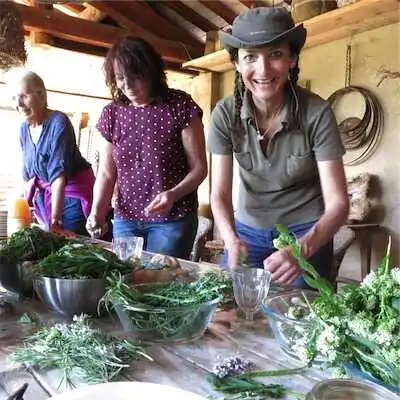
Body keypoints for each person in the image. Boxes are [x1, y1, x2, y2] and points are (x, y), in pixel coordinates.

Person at [208, 7, 349, 288]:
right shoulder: (225, 114)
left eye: (275, 54)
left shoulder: (316, 113)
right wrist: (231, 239)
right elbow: (219, 193)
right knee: (230, 312)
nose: (263, 70)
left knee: (299, 316)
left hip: (306, 234)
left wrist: (301, 250)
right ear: (236, 63)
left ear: (292, 59)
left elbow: (339, 204)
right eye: (250, 57)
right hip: (247, 232)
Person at [86, 36, 207, 259]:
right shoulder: (112, 113)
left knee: (161, 286)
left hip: (172, 220)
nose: (128, 85)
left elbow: (199, 168)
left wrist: (172, 194)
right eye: (121, 78)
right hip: (126, 219)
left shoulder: (180, 105)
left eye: (135, 77)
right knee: (127, 284)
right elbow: (105, 173)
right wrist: (96, 212)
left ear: (151, 72)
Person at [14, 71, 95, 235]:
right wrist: (26, 207)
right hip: (45, 198)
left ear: (41, 96)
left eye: (23, 96)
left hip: (70, 197)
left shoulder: (59, 122)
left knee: (70, 250)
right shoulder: (24, 129)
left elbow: (58, 175)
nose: (19, 104)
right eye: (15, 98)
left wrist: (55, 220)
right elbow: (28, 176)